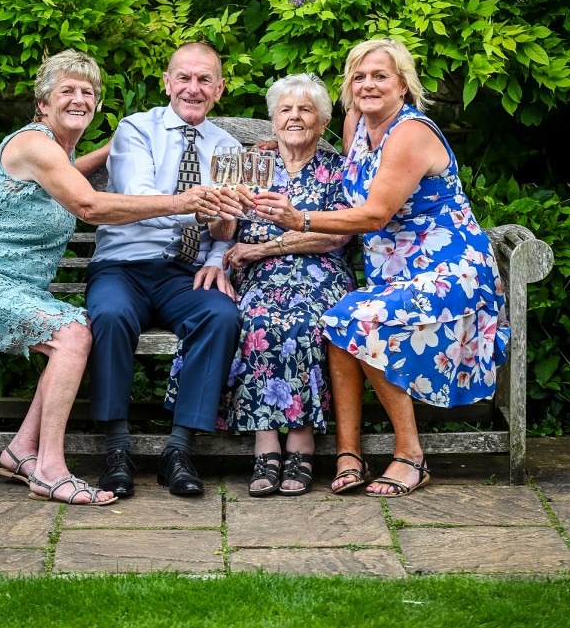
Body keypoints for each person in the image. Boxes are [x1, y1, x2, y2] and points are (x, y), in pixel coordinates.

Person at [0, 49, 221, 506]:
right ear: (42, 103)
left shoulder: (60, 155)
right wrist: (182, 201)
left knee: (76, 330)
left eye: (88, 92)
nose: (79, 98)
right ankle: (49, 468)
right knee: (71, 335)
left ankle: (21, 451)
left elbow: (78, 172)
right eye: (66, 90)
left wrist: (129, 140)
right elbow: (90, 206)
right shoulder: (33, 144)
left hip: (18, 289)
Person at [245, 38, 510, 497]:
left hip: (450, 270)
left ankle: (411, 455)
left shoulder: (411, 133)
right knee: (339, 319)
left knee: (356, 318)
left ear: (403, 85)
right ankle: (349, 454)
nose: (369, 84)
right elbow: (347, 178)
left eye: (380, 76)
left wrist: (297, 219)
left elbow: (373, 214)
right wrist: (285, 139)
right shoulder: (354, 124)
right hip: (397, 274)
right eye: (360, 76)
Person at [86, 42, 242, 498]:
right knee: (110, 317)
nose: (193, 89)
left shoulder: (228, 146)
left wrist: (217, 256)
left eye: (205, 80)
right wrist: (197, 208)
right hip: (123, 266)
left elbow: (227, 227)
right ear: (167, 82)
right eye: (184, 78)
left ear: (219, 89)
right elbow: (136, 201)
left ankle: (179, 450)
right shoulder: (136, 128)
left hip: (184, 272)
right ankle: (116, 450)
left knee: (221, 315)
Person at [213, 74, 356, 497]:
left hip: (321, 272)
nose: (295, 117)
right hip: (258, 278)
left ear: (323, 120)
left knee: (307, 320)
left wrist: (261, 248)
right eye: (286, 110)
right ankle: (266, 443)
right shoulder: (248, 163)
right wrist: (224, 205)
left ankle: (300, 443)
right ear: (273, 119)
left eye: (305, 109)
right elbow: (224, 233)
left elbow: (335, 236)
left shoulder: (337, 169)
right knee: (257, 317)